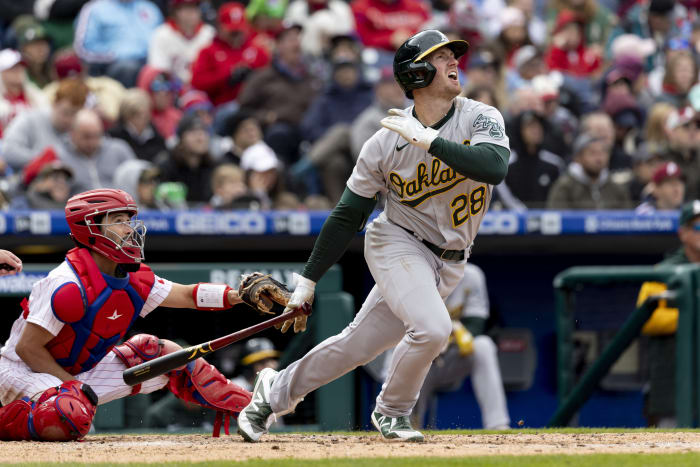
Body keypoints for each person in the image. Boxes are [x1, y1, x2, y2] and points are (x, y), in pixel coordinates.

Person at [236, 29, 511, 443]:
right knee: (433, 330)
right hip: (398, 241)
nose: (455, 62)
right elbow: (348, 214)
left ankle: (271, 394)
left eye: (455, 55)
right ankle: (393, 412)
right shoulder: (384, 142)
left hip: (452, 257)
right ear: (416, 74)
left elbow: (494, 167)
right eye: (441, 58)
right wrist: (308, 281)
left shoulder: (480, 116)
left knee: (356, 346)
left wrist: (432, 142)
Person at [0, 188, 252, 441]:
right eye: (118, 221)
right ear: (91, 228)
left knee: (164, 355)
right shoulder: (65, 283)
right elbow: (27, 349)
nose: (129, 229)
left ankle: (254, 409)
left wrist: (239, 295)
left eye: (128, 220)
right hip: (20, 372)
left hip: (78, 373)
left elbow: (187, 296)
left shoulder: (132, 278)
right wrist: (73, 387)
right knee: (69, 413)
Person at [412, 263, 509, 430]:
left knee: (483, 346)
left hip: (447, 356)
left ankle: (498, 425)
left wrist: (446, 338)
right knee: (414, 354)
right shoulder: (413, 272)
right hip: (413, 357)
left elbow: (476, 325)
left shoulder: (471, 274)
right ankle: (405, 427)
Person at [636, 200, 700, 427]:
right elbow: (647, 321)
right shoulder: (664, 271)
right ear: (683, 233)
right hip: (673, 378)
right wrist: (690, 315)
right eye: (697, 227)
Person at [3, 78, 89, 171]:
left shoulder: (80, 130)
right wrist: (46, 159)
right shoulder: (29, 119)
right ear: (54, 103)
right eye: (65, 112)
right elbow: (8, 152)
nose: (69, 119)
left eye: (74, 114)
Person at [546, 133, 632, 210]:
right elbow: (557, 218)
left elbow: (627, 220)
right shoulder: (565, 187)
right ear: (578, 158)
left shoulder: (616, 188)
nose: (599, 158)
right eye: (592, 153)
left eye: (603, 153)